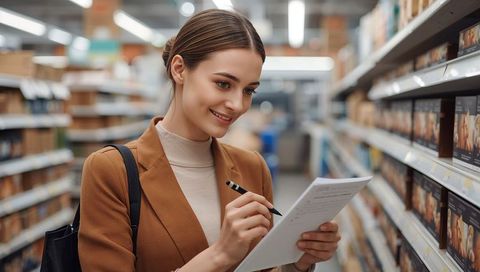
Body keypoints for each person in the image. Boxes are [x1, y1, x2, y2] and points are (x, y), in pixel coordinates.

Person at [78, 9, 340, 272]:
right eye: (224, 84)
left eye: (249, 90)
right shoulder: (112, 171)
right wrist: (220, 254)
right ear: (179, 69)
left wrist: (297, 263)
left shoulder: (252, 167)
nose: (238, 105)